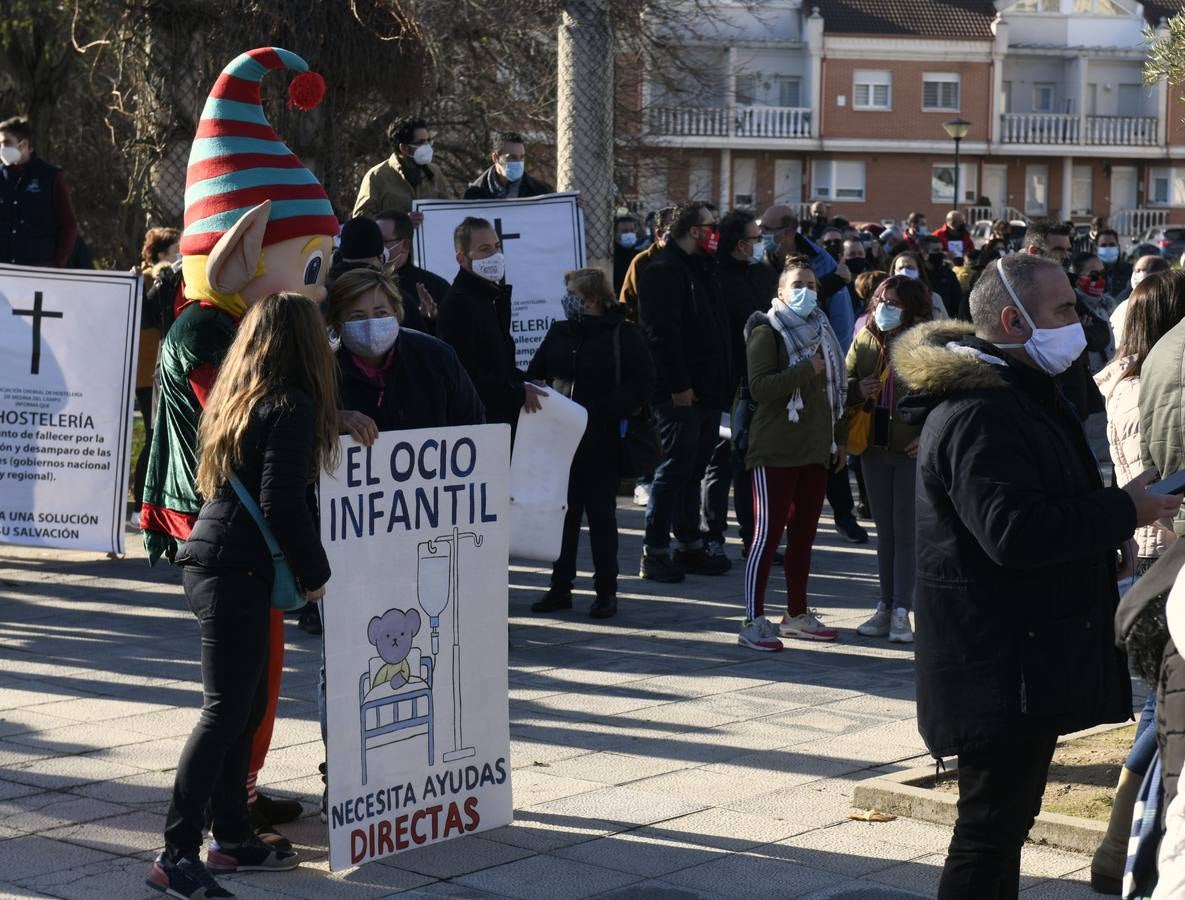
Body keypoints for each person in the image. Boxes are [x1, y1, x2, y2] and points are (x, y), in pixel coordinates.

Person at [893, 253, 1180, 898]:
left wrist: (1113, 520)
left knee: (1003, 826)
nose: (1078, 321)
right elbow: (1012, 531)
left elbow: (1043, 501)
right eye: (1063, 310)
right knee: (988, 831)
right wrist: (1119, 510)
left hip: (1019, 657)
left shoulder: (1022, 394)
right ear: (1011, 321)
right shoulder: (979, 411)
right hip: (995, 663)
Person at [147, 292, 338, 899]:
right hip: (234, 569)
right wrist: (317, 574)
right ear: (307, 344)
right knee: (225, 713)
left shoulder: (239, 400)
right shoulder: (293, 402)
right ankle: (176, 854)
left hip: (216, 562)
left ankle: (232, 838)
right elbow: (282, 498)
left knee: (242, 710)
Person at [1089, 270, 1185, 892]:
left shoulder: (1128, 378)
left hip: (1146, 550)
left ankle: (1120, 842)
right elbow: (1160, 466)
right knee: (1158, 710)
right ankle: (1120, 841)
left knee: (1157, 707)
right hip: (1156, 550)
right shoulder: (1148, 384)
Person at [527, 269, 655, 618]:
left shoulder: (623, 333)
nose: (568, 298)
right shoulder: (560, 331)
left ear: (593, 298)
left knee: (601, 519)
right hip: (559, 442)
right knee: (562, 517)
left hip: (601, 441)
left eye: (573, 293)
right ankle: (560, 587)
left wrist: (593, 412)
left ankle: (606, 591)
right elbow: (536, 371)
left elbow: (641, 385)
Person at [738, 256, 847, 651]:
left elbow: (833, 394)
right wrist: (807, 369)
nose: (806, 291)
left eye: (812, 285)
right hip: (775, 452)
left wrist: (838, 441)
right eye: (797, 285)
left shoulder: (824, 330)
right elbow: (761, 387)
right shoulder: (767, 331)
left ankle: (797, 615)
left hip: (814, 450)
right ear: (781, 293)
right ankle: (752, 619)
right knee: (767, 536)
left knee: (804, 538)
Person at [637, 202, 732, 582]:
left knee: (694, 468)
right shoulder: (663, 271)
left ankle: (689, 544)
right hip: (680, 393)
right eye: (710, 226)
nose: (715, 233)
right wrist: (678, 385)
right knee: (672, 470)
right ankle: (655, 549)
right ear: (694, 230)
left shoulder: (702, 268)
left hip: (708, 391)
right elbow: (662, 336)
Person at [758, 205, 863, 545]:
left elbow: (841, 318)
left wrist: (836, 362)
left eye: (768, 229)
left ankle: (843, 515)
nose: (762, 234)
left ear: (787, 230)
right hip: (778, 368)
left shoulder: (820, 262)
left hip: (821, 369)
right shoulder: (760, 261)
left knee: (825, 441)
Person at [847, 276, 933, 644]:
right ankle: (884, 605)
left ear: (911, 308)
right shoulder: (865, 337)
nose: (884, 306)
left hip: (910, 449)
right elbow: (843, 383)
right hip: (873, 447)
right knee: (885, 532)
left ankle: (902, 609)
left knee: (906, 532)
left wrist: (926, 435)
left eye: (894, 302)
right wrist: (856, 388)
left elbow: (944, 394)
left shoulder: (925, 343)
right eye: (881, 299)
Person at [437, 216, 545, 429]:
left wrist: (525, 381)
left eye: (497, 247)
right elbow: (465, 375)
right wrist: (518, 393)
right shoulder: (458, 303)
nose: (495, 255)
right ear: (461, 258)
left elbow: (498, 363)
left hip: (500, 419)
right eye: (485, 249)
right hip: (481, 426)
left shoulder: (489, 296)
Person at [714, 209, 768, 559]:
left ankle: (755, 539)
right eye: (755, 238)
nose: (761, 244)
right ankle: (712, 538)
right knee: (720, 466)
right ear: (740, 244)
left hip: (761, 380)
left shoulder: (761, 274)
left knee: (754, 465)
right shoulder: (716, 276)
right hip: (727, 383)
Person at [132, 227, 181, 526]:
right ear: (162, 254)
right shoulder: (150, 281)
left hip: (156, 371)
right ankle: (141, 504)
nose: (180, 253)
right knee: (152, 438)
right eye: (176, 248)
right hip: (149, 374)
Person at [0, 116, 78, 267]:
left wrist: (57, 263)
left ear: (23, 145)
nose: (2, 149)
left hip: (39, 271)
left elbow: (69, 225)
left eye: (6, 143)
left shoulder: (51, 177)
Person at [352, 116, 452, 219]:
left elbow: (448, 211)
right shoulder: (376, 177)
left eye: (428, 141)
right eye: (421, 142)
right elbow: (361, 220)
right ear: (403, 148)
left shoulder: (434, 173)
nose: (427, 146)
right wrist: (400, 222)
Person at [374, 209, 448, 333]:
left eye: (383, 241)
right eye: (373, 240)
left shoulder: (435, 287)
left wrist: (431, 320)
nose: (375, 246)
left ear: (405, 245)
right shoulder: (365, 282)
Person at [463, 130, 553, 201]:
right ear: (495, 158)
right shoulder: (474, 195)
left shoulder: (541, 193)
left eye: (521, 157)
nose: (518, 162)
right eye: (512, 157)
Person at [620, 206, 674, 321]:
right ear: (659, 233)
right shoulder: (642, 262)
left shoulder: (693, 258)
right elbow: (629, 306)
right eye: (673, 230)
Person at [1111, 253, 1171, 344]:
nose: (1135, 274)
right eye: (1134, 270)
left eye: (1140, 270)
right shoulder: (1126, 305)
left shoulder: (1171, 302)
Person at [891, 251, 950, 319]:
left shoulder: (935, 298)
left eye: (910, 267)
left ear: (919, 271)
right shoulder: (887, 298)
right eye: (900, 268)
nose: (905, 271)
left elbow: (946, 325)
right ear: (894, 272)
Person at [1094, 228, 1131, 299]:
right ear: (1096, 249)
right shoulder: (1089, 273)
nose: (1108, 248)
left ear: (1118, 247)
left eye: (1112, 245)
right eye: (1103, 245)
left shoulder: (1129, 271)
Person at [613, 214, 642, 296]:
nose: (630, 234)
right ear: (616, 234)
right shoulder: (612, 257)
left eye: (632, 231)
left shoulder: (639, 255)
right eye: (625, 231)